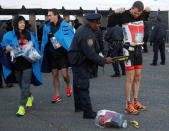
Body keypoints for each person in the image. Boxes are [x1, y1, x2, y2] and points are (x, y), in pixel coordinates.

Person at [107, 1, 150, 115]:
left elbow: (145, 15)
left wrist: (148, 11)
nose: (136, 16)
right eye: (135, 13)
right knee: (130, 78)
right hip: (128, 49)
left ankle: (135, 102)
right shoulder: (123, 15)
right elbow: (109, 23)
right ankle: (128, 104)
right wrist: (114, 13)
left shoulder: (142, 14)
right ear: (132, 8)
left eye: (138, 14)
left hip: (138, 49)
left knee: (138, 77)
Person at [68, 13, 113, 119]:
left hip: (76, 60)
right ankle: (87, 112)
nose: (98, 25)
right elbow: (90, 54)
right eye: (97, 23)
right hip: (80, 62)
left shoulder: (84, 29)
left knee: (77, 84)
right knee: (83, 86)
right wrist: (104, 60)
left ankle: (79, 106)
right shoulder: (87, 34)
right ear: (91, 22)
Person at [1, 16, 42, 116]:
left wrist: (33, 44)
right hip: (16, 64)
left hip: (28, 64)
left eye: (23, 22)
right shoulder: (9, 35)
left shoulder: (30, 34)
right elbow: (3, 45)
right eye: (20, 23)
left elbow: (36, 44)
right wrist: (7, 47)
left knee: (25, 84)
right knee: (21, 84)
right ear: (15, 24)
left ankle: (21, 107)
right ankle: (29, 96)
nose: (22, 24)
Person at [40, 9, 74, 103]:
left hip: (62, 54)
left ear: (56, 15)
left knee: (64, 75)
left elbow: (71, 38)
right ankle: (57, 95)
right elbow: (44, 40)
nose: (48, 17)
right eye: (48, 15)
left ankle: (68, 85)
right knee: (54, 75)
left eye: (50, 15)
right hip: (51, 54)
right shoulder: (46, 26)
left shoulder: (65, 26)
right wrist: (42, 52)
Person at [0, 21, 13, 88]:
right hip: (3, 52)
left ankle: (0, 84)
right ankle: (9, 82)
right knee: (5, 67)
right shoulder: (4, 31)